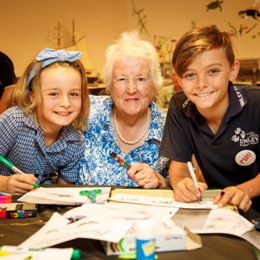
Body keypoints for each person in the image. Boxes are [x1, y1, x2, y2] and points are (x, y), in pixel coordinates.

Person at [160, 25, 260, 213]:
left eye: (213, 71)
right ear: (179, 80)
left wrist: (242, 190)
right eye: (190, 75)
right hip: (219, 210)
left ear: (233, 70)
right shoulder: (179, 106)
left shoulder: (256, 103)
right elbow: (179, 167)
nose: (202, 84)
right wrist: (182, 185)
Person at [78, 31, 169, 188]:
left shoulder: (170, 127)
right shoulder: (85, 112)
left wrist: (161, 182)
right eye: (121, 79)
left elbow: (188, 182)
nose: (131, 89)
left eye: (140, 79)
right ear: (110, 85)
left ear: (154, 84)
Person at [0, 48, 90, 194]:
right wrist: (4, 184)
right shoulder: (14, 121)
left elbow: (64, 190)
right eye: (54, 94)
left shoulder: (75, 141)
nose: (66, 103)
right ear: (32, 96)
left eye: (73, 94)